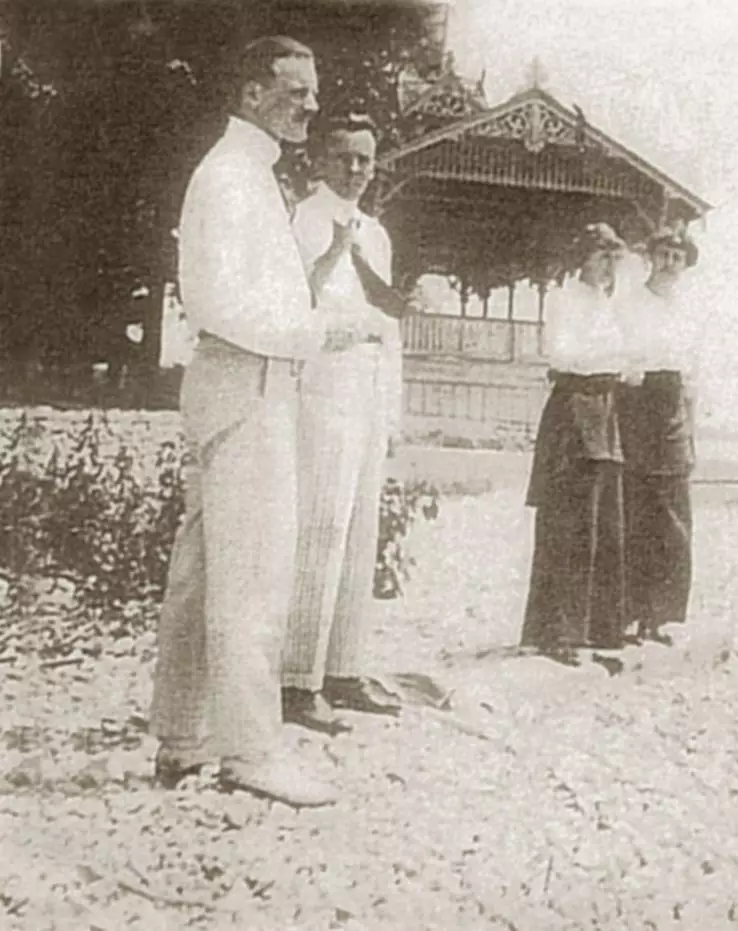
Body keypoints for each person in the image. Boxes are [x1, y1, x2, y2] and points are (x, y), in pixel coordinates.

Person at [149, 37, 379, 807]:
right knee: (251, 576)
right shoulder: (229, 179)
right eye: (295, 91)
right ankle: (249, 750)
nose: (311, 105)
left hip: (245, 383)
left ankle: (180, 739)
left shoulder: (250, 175)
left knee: (203, 574)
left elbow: (260, 298)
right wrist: (317, 333)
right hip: (246, 388)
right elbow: (216, 303)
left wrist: (312, 323)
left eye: (312, 92)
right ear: (251, 94)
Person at [281, 114, 405, 735]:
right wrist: (332, 252)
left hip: (368, 389)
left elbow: (389, 322)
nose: (355, 169)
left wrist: (394, 412)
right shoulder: (304, 219)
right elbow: (290, 303)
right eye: (344, 157)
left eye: (364, 158)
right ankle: (296, 680)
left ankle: (343, 669)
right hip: (323, 386)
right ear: (321, 160)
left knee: (361, 531)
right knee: (322, 528)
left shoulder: (377, 233)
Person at [520, 223, 632, 666]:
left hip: (605, 411)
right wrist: (613, 362)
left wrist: (618, 365)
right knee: (567, 523)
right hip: (573, 408)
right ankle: (555, 631)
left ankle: (595, 627)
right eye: (602, 256)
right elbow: (560, 355)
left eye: (614, 258)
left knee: (602, 523)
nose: (608, 266)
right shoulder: (563, 299)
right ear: (584, 256)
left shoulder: (608, 304)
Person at [619, 227, 702, 645]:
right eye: (664, 254)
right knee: (636, 510)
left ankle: (665, 615)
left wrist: (691, 434)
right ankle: (631, 613)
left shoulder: (689, 311)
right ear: (650, 257)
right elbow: (619, 356)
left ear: (686, 264)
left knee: (673, 516)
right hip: (636, 401)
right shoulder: (631, 303)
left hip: (672, 409)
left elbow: (693, 381)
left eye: (678, 256)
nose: (670, 262)